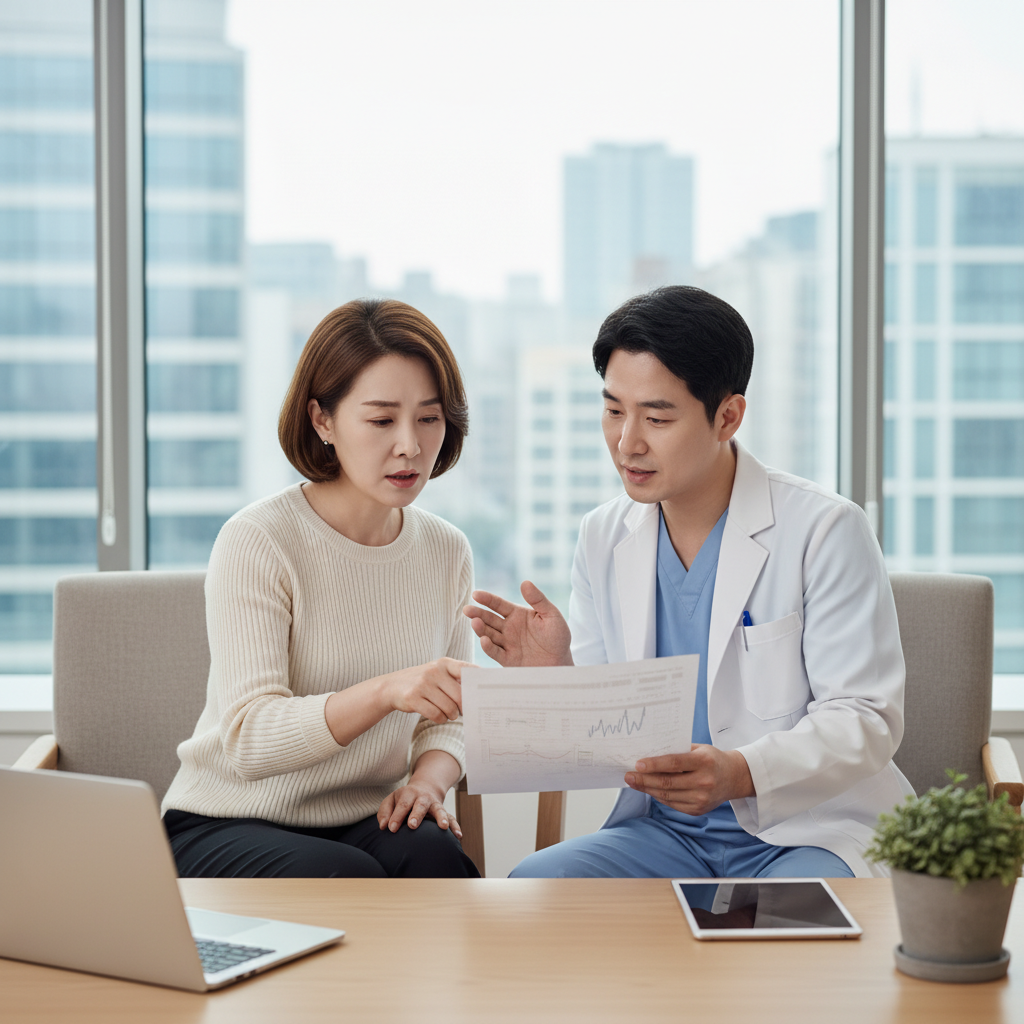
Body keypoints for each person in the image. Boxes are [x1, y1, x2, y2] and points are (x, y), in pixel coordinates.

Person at [465, 285, 914, 880]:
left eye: (657, 417)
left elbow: (865, 717)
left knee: (787, 939)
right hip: (662, 835)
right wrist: (559, 682)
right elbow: (615, 728)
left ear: (727, 415)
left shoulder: (825, 529)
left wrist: (739, 772)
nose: (628, 442)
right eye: (613, 410)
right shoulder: (603, 535)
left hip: (807, 832)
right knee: (533, 891)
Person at [162, 298, 479, 879]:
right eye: (382, 420)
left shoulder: (445, 549)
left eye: (429, 418)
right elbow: (249, 738)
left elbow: (451, 717)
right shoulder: (259, 539)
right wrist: (386, 691)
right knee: (346, 878)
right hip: (227, 819)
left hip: (362, 817)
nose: (409, 444)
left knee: (435, 855)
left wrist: (426, 784)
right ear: (322, 420)